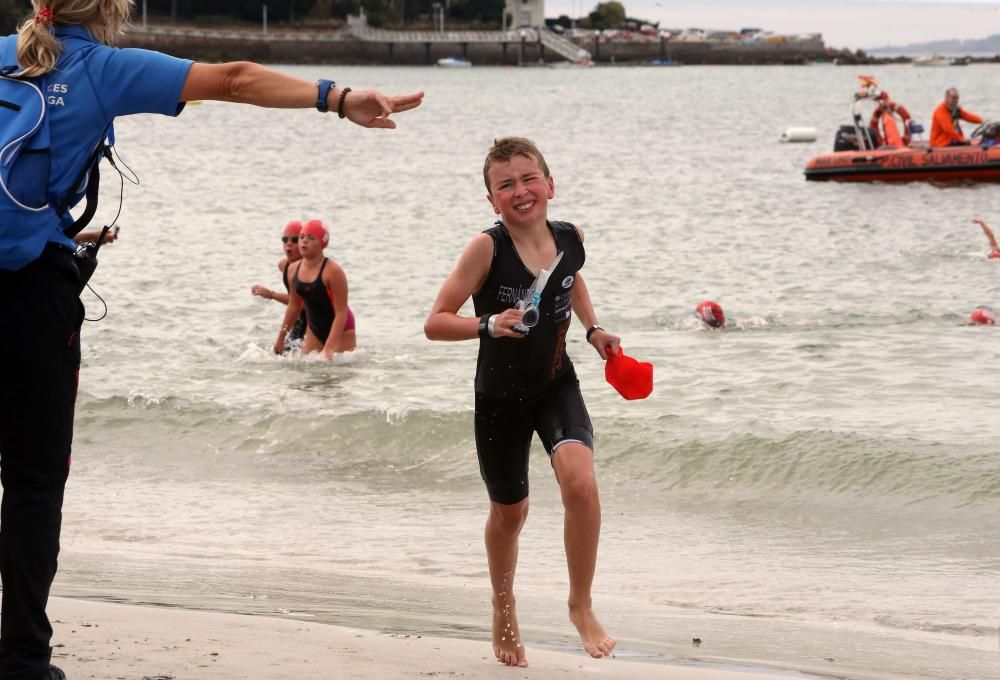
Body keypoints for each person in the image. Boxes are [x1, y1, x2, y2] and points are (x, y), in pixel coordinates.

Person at [0, 3, 422, 679]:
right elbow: (233, 78)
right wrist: (337, 99)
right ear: (110, 12)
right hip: (34, 296)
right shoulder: (102, 67)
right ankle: (21, 661)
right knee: (31, 481)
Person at [424, 137, 620, 667]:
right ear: (492, 201)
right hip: (499, 399)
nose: (520, 191)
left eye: (529, 178)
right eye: (505, 184)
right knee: (511, 516)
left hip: (557, 381)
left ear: (550, 185)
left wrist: (594, 329)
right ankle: (503, 604)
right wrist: (488, 323)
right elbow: (434, 322)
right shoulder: (486, 249)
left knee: (580, 483)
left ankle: (580, 605)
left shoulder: (569, 237)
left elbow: (569, 279)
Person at [273, 219, 356, 358]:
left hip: (341, 327)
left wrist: (329, 347)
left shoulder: (333, 271)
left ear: (322, 243)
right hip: (314, 328)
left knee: (340, 372)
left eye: (311, 238)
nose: (304, 241)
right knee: (306, 373)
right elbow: (294, 306)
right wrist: (280, 338)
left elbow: (341, 312)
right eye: (301, 237)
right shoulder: (293, 270)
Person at [251, 220, 308, 350]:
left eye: (294, 240)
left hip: (316, 322)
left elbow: (301, 304)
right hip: (299, 321)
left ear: (303, 243)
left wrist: (272, 295)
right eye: (284, 239)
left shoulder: (308, 270)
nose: (288, 243)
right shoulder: (284, 266)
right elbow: (295, 302)